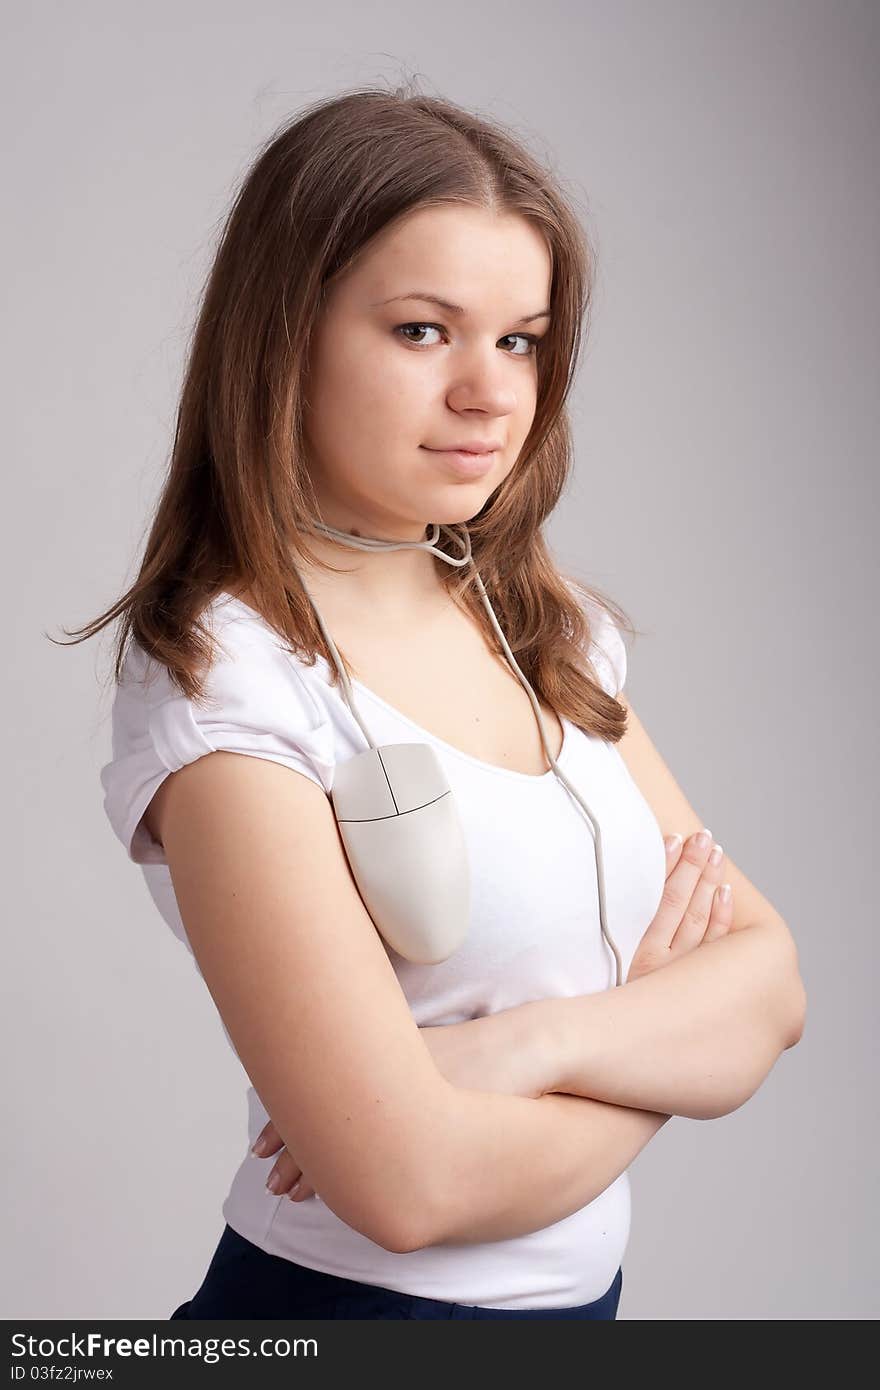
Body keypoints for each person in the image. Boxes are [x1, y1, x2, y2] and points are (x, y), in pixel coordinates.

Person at [70, 84, 805, 1320]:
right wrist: (666, 1049)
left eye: (520, 338)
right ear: (282, 336)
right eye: (422, 332)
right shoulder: (230, 685)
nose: (490, 392)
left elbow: (771, 983)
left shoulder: (546, 628)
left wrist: (520, 1049)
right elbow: (405, 1183)